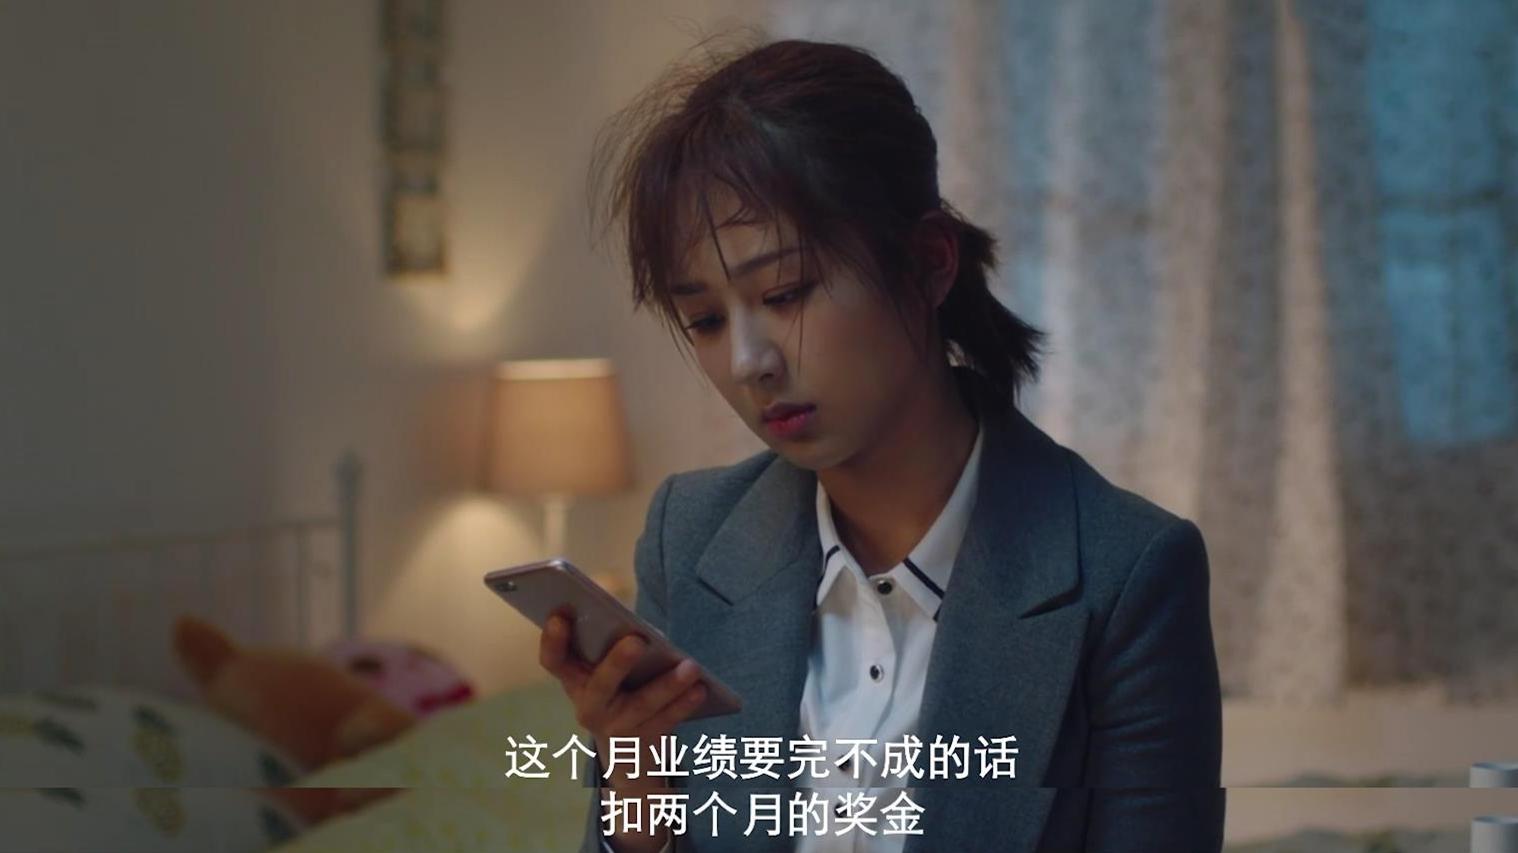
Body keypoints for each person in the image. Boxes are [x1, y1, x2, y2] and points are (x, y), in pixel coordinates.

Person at [539, 35, 1224, 853]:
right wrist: (636, 791)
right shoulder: (688, 539)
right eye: (706, 319)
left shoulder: (1127, 575)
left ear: (928, 262)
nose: (749, 362)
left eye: (785, 292)